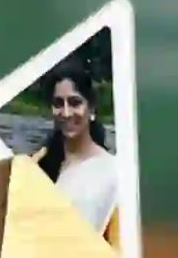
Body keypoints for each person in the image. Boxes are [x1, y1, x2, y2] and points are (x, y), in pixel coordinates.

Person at [35, 72, 128, 245]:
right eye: (58, 104)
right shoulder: (39, 163)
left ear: (91, 108)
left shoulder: (112, 171)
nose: (66, 113)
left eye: (75, 103)